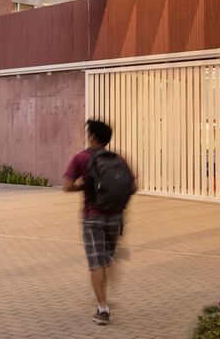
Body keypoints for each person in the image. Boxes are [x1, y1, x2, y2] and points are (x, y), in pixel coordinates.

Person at [63, 119, 136, 326]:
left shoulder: (81, 158)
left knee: (96, 263)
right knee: (106, 260)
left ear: (92, 137)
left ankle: (102, 309)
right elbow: (131, 187)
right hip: (115, 217)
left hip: (92, 217)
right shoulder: (118, 159)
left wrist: (80, 185)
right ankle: (102, 292)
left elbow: (67, 186)